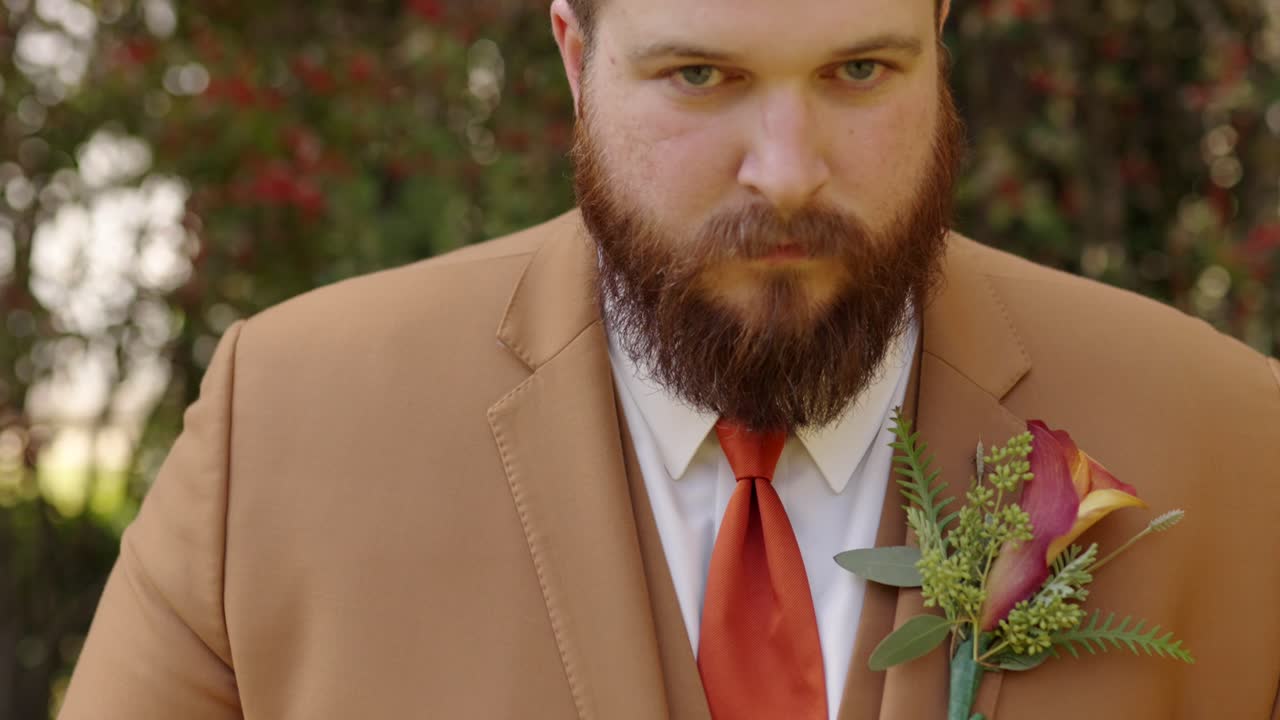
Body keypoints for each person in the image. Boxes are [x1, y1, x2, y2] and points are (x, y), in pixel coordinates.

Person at [60, 0, 1280, 718]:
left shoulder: (1230, 444)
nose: (787, 167)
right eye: (702, 77)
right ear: (574, 59)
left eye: (860, 72)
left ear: (938, 37)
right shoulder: (285, 423)